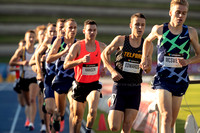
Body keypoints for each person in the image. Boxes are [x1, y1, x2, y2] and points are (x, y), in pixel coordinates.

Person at [140, 0, 200, 133]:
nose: (180, 16)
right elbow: (147, 41)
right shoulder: (160, 29)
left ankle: (156, 105)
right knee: (166, 116)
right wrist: (146, 57)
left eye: (184, 13)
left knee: (172, 120)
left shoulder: (190, 32)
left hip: (180, 79)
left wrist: (188, 61)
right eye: (178, 12)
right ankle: (159, 104)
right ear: (170, 12)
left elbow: (199, 55)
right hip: (163, 79)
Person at [101, 13, 152, 133]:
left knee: (127, 126)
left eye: (142, 25)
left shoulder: (148, 45)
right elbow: (104, 53)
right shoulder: (121, 40)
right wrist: (112, 71)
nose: (140, 28)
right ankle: (111, 103)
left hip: (135, 88)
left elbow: (148, 68)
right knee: (114, 127)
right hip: (120, 87)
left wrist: (146, 67)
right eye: (137, 25)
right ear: (131, 25)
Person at [63, 19, 107, 133]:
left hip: (94, 85)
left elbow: (107, 57)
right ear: (84, 31)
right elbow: (66, 65)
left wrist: (105, 68)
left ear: (97, 32)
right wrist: (81, 60)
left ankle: (88, 130)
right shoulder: (77, 46)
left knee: (92, 111)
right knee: (77, 119)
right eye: (89, 30)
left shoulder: (101, 46)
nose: (92, 33)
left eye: (94, 30)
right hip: (79, 85)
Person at [46, 18, 78, 132]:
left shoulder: (78, 44)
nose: (73, 30)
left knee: (74, 108)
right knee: (60, 112)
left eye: (75, 27)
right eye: (70, 27)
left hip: (73, 81)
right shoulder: (59, 41)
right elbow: (49, 59)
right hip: (59, 80)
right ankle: (55, 118)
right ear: (64, 29)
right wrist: (64, 52)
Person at [9, 30, 40, 131]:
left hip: (34, 78)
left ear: (35, 38)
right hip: (23, 78)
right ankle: (29, 118)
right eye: (29, 37)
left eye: (33, 37)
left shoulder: (37, 49)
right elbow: (11, 63)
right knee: (27, 103)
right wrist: (22, 63)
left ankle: (31, 122)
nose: (31, 39)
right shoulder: (21, 51)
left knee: (32, 99)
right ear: (26, 38)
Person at [34, 23, 57, 133]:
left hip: (59, 78)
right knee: (47, 107)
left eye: (54, 31)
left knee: (57, 110)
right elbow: (33, 61)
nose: (52, 34)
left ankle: (55, 121)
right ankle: (46, 126)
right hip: (45, 78)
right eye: (50, 32)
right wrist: (39, 70)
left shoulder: (61, 42)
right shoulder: (44, 44)